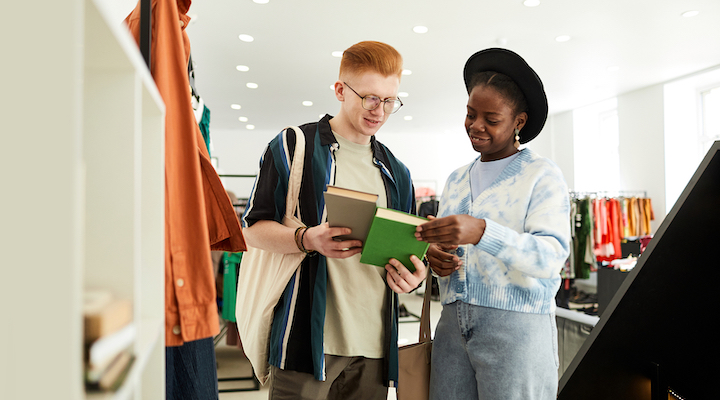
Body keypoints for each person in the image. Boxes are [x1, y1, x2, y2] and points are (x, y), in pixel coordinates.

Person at [241, 40, 427, 400]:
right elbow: (253, 229)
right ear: (341, 90)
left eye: (390, 101)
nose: (380, 111)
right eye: (370, 98)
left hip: (374, 349)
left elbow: (406, 254)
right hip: (306, 342)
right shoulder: (294, 146)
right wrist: (307, 238)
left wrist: (413, 276)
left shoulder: (397, 172)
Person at [415, 48, 571, 400]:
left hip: (517, 329)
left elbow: (550, 258)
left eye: (491, 118)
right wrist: (436, 257)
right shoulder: (456, 179)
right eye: (470, 114)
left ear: (519, 122)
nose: (476, 126)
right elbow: (448, 254)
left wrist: (483, 232)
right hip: (452, 327)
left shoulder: (541, 175)